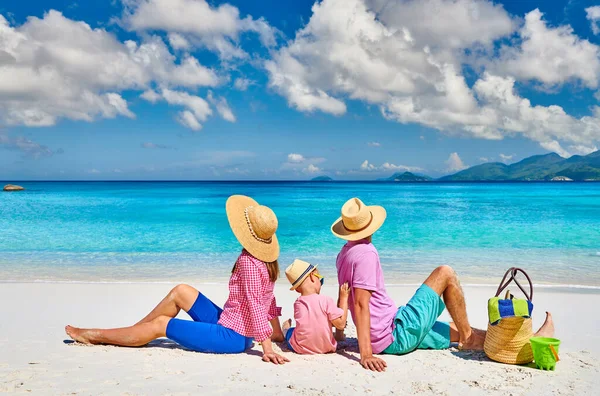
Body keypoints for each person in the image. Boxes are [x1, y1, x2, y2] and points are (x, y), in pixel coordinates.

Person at [331, 197, 554, 372]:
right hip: (394, 333)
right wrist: (366, 354)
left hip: (390, 330)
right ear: (371, 225)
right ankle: (472, 340)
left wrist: (345, 335)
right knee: (445, 273)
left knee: (458, 328)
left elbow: (349, 298)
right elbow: (360, 303)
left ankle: (522, 343)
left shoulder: (344, 254)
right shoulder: (367, 254)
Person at [65, 195, 289, 365]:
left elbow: (254, 303)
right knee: (182, 290)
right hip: (231, 322)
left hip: (232, 337)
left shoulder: (248, 262)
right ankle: (134, 331)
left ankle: (96, 335)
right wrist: (276, 332)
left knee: (161, 325)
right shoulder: (266, 261)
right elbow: (268, 299)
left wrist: (267, 346)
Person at [281, 259, 349, 354]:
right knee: (291, 331)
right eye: (320, 278)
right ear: (313, 277)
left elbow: (311, 320)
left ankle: (285, 328)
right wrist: (344, 297)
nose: (321, 282)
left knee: (291, 331)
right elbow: (341, 324)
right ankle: (286, 328)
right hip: (326, 347)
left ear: (297, 290)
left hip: (300, 348)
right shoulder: (326, 300)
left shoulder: (298, 303)